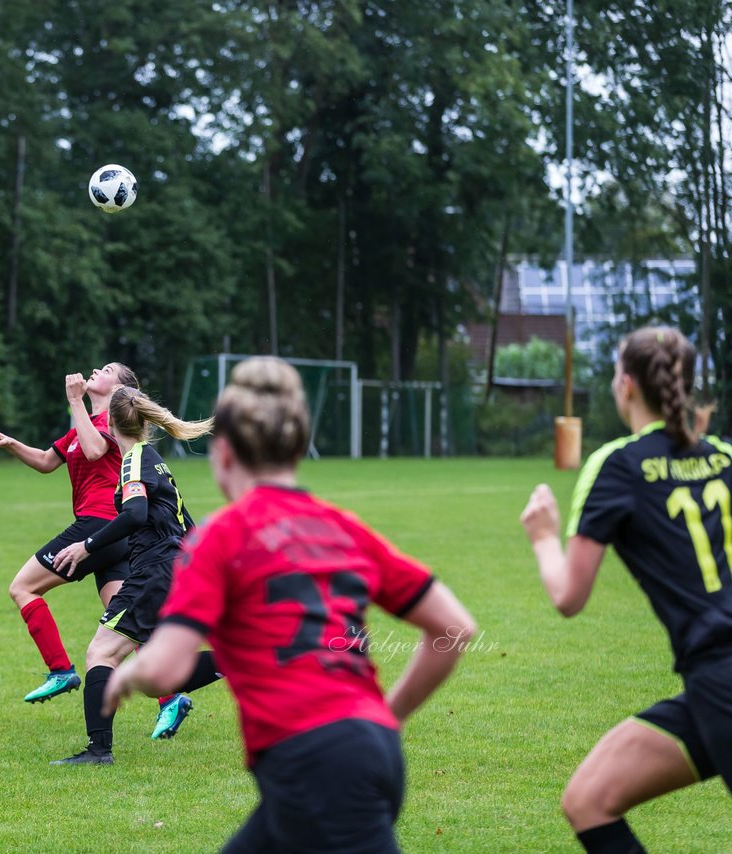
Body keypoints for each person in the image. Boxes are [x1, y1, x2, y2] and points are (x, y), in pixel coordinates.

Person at [104, 357, 476, 850]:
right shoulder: (343, 527)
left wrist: (129, 674)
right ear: (299, 449)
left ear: (225, 456)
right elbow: (455, 628)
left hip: (314, 759)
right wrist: (388, 717)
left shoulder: (219, 539)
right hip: (362, 752)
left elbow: (167, 665)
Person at [521, 326, 732, 853]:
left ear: (627, 386)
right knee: (589, 798)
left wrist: (544, 538)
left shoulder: (619, 465)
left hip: (722, 678)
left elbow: (569, 596)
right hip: (711, 688)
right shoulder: (727, 456)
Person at [49, 384, 225, 765]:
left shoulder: (134, 461)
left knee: (101, 651)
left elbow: (134, 515)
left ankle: (98, 751)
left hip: (156, 571)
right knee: (161, 675)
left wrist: (87, 545)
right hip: (173, 569)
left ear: (109, 422)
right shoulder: (153, 458)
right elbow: (183, 520)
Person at [0, 364, 138, 704]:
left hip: (97, 525)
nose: (97, 369)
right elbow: (44, 461)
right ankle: (170, 699)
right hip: (112, 534)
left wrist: (74, 401)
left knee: (23, 587)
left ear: (120, 388)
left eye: (107, 369)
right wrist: (10, 443)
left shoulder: (115, 421)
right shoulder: (82, 426)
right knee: (126, 620)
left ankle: (60, 670)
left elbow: (96, 450)